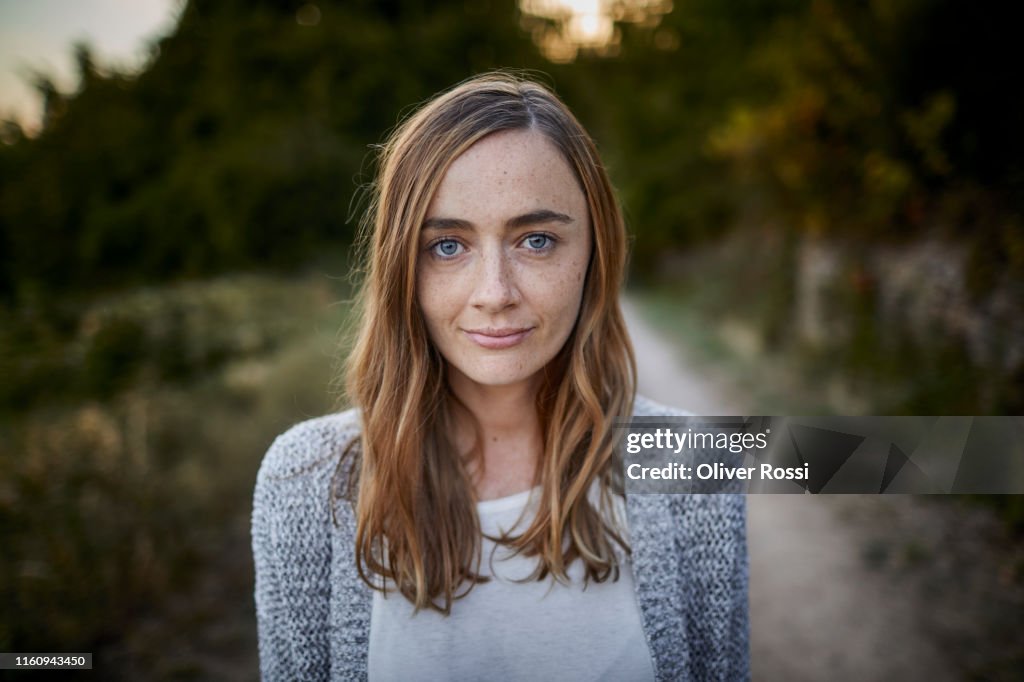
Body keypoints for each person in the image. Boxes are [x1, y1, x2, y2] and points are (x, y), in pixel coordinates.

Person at [252, 71, 749, 681]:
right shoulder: (306, 479)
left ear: (595, 251)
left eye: (536, 240)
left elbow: (882, 459)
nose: (495, 294)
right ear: (399, 264)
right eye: (448, 246)